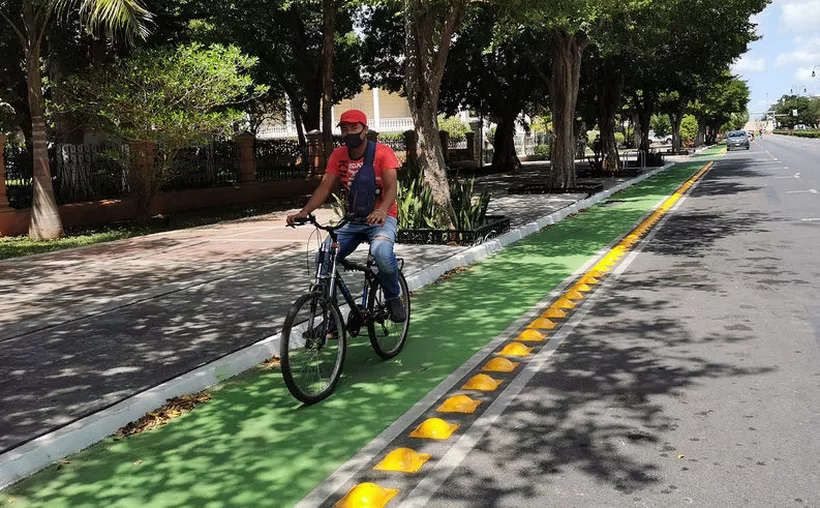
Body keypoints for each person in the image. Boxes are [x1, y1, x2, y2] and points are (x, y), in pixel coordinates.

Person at [286, 109, 405, 322]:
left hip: (382, 218)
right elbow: (324, 188)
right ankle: (330, 319)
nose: (349, 132)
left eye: (354, 127)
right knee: (324, 256)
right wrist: (304, 212)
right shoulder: (338, 155)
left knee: (382, 254)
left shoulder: (383, 153)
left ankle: (393, 297)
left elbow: (391, 188)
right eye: (345, 128)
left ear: (364, 130)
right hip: (352, 220)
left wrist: (381, 210)